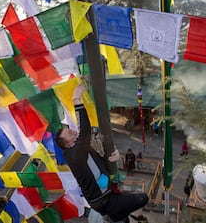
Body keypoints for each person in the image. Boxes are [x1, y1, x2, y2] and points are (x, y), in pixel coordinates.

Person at [55, 82, 149, 223]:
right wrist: (76, 99)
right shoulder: (74, 155)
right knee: (143, 198)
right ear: (67, 143)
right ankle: (115, 216)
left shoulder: (84, 151)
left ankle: (117, 217)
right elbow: (84, 131)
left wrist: (113, 157)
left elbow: (100, 161)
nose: (73, 131)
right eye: (69, 133)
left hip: (107, 194)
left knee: (125, 217)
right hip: (104, 201)